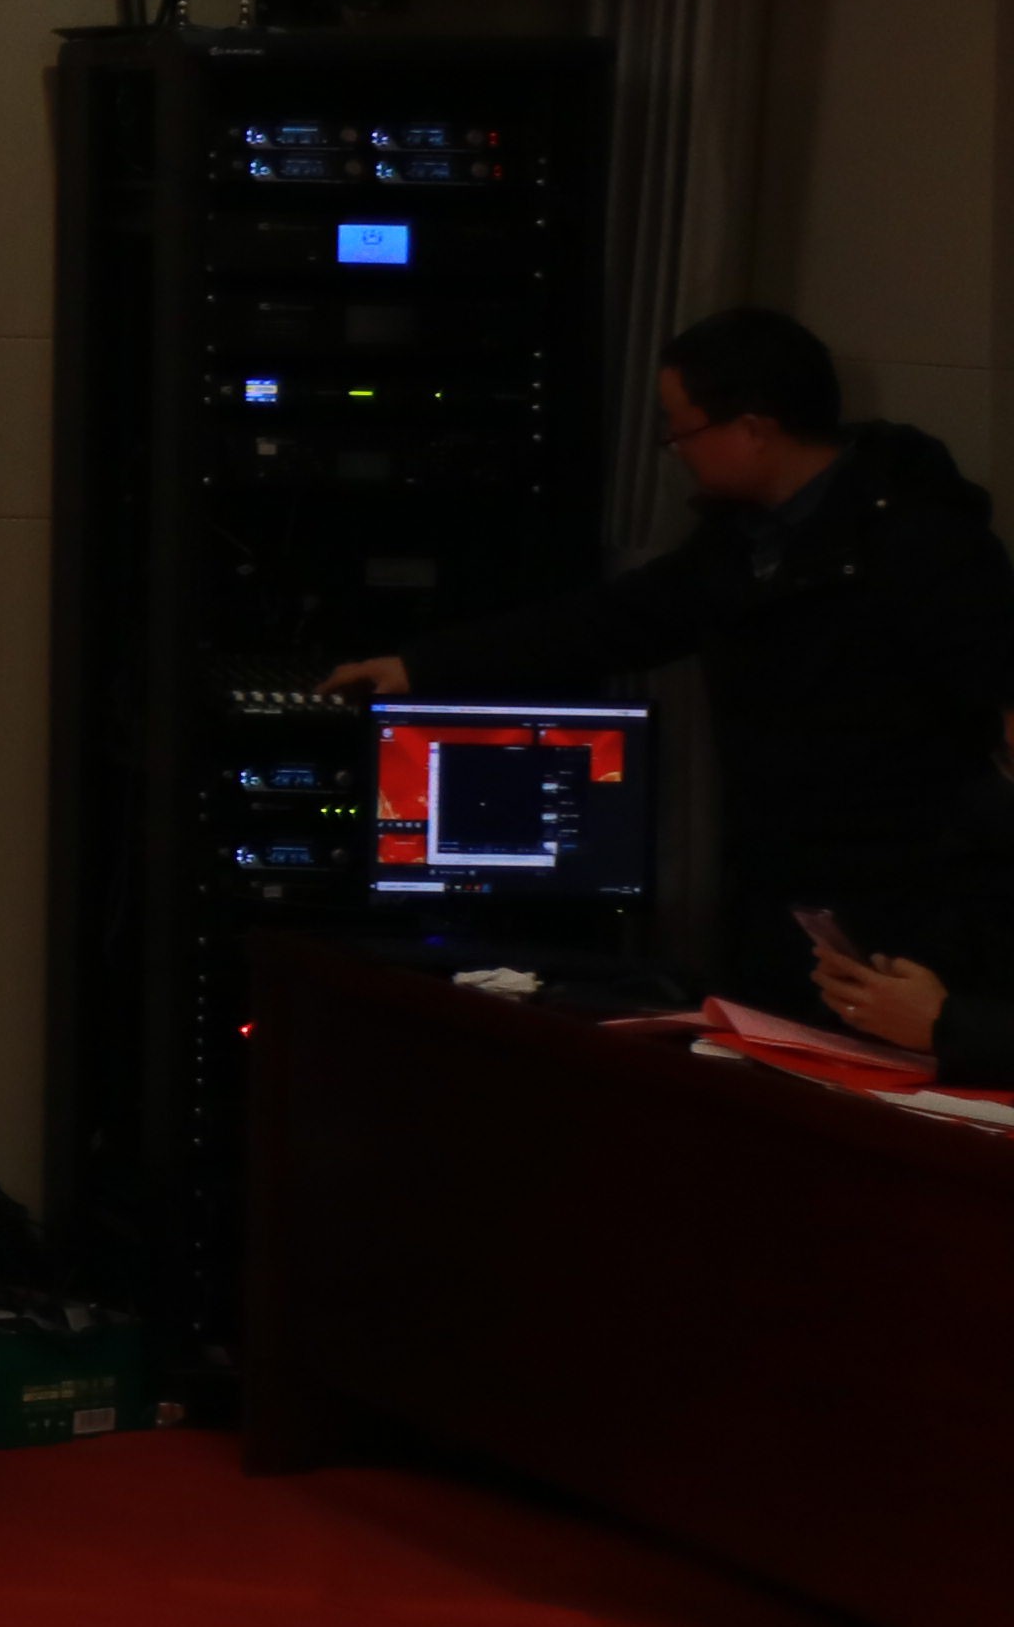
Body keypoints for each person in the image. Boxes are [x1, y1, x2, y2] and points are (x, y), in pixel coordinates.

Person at [328, 305, 1014, 1068]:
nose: (675, 449)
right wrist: (421, 667)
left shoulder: (927, 547)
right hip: (781, 899)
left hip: (913, 914)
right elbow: (613, 620)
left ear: (752, 428)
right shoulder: (742, 541)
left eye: (683, 429)